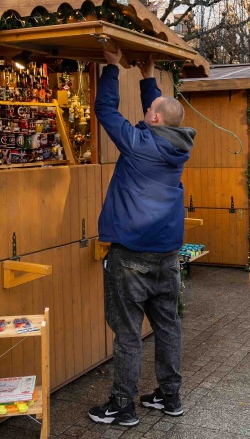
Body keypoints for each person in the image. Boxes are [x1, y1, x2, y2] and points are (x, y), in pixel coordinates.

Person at [89, 45, 196, 427]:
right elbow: (161, 112)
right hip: (167, 254)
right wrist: (149, 76)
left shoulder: (138, 146)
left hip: (131, 254)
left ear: (152, 118)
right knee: (168, 326)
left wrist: (113, 66)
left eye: (149, 112)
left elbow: (105, 111)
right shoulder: (176, 144)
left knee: (128, 332)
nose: (146, 114)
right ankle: (170, 397)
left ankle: (123, 405)